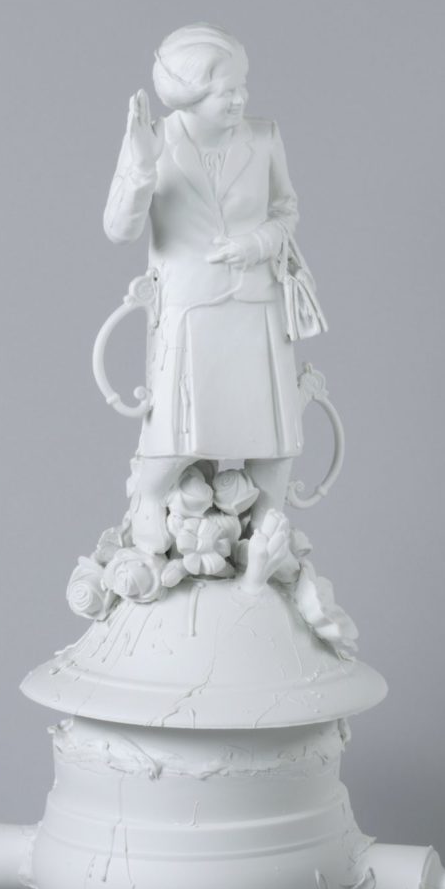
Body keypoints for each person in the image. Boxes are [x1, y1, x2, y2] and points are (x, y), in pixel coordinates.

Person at [103, 27, 321, 554]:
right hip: (189, 305)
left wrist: (257, 243)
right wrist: (141, 166)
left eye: (243, 85)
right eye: (228, 90)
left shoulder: (263, 138)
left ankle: (267, 519)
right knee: (177, 428)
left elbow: (285, 210)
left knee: (272, 428)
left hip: (257, 299)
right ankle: (149, 500)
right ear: (191, 94)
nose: (241, 98)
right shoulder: (156, 140)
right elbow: (118, 229)